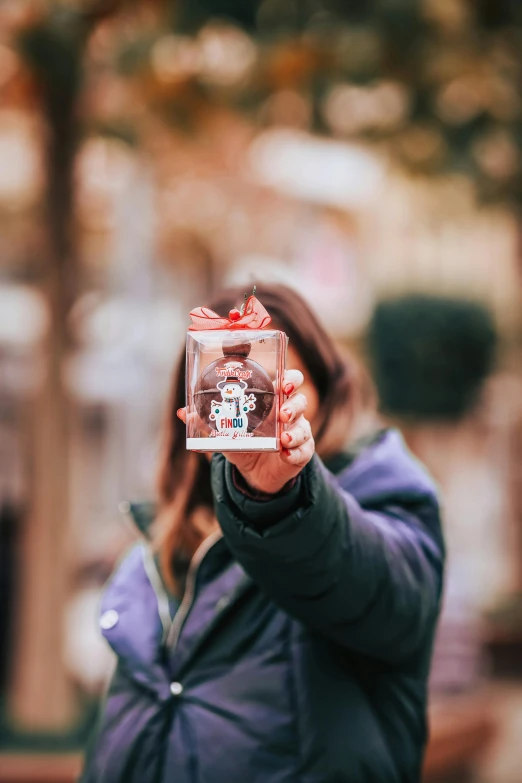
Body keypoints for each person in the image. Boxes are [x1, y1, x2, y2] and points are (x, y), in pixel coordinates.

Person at [81, 284, 445, 783]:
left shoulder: (382, 492)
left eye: (275, 378)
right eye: (224, 375)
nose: (252, 395)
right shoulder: (156, 552)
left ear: (324, 390)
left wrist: (282, 498)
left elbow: (384, 595)